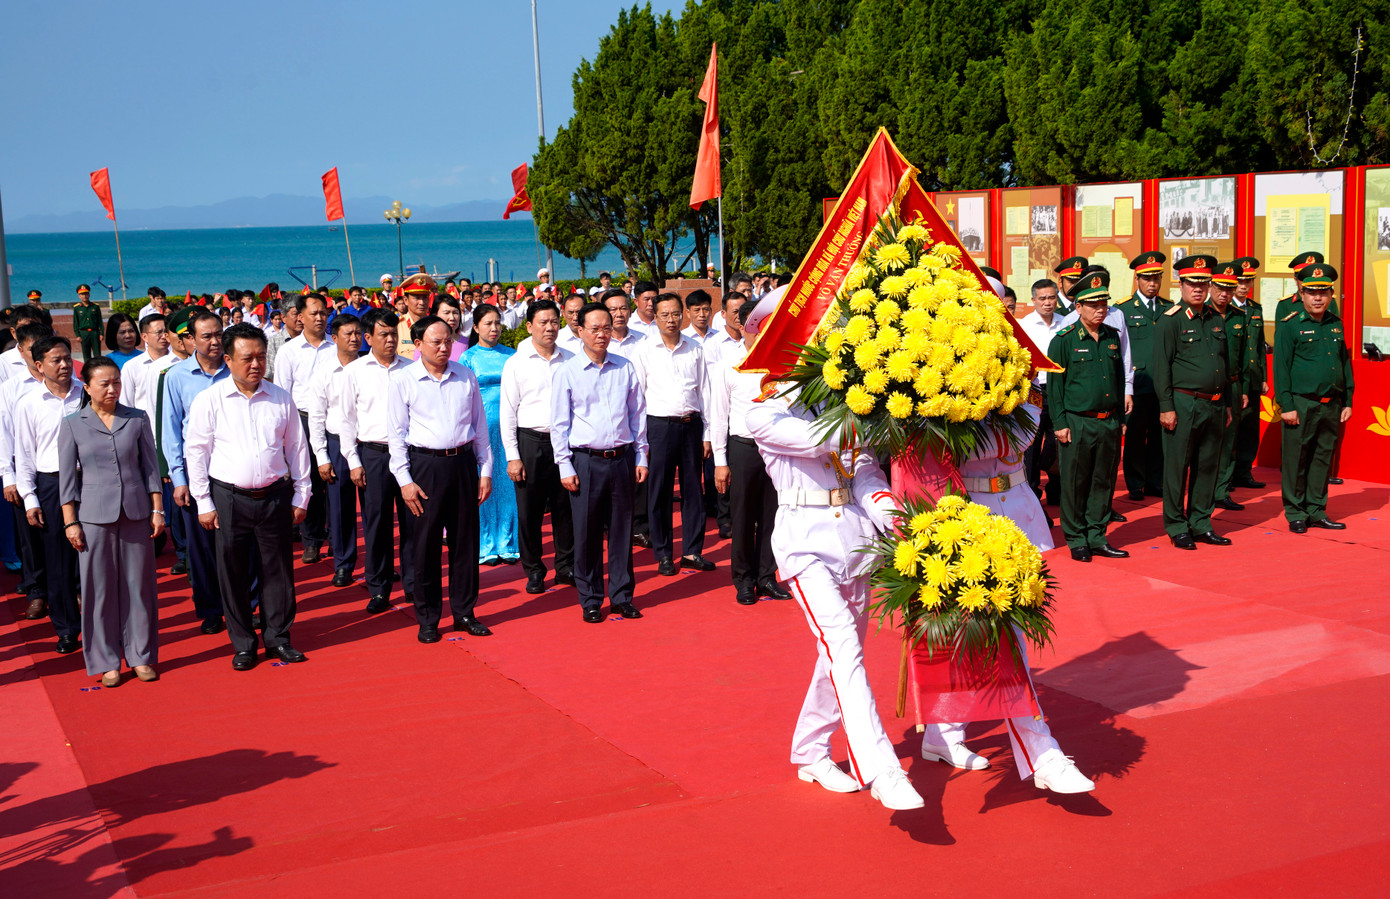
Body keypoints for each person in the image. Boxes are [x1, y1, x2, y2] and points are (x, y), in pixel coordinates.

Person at [740, 287, 924, 811]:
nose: (809, 348)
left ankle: (812, 751)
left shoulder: (844, 402)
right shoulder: (762, 407)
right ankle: (881, 766)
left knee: (842, 653)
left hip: (856, 541)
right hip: (804, 542)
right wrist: (869, 409)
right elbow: (821, 441)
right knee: (841, 643)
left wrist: (897, 520)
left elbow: (864, 471)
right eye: (798, 341)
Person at [185, 324, 311, 671]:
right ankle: (243, 644)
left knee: (278, 572)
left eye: (260, 356)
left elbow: (297, 447)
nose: (255, 364)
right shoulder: (210, 399)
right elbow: (195, 451)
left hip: (274, 495)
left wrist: (302, 493)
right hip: (228, 497)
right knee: (233, 573)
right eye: (246, 358)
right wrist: (204, 502)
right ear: (228, 359)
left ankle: (279, 638)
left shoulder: (280, 397)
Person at [58, 357, 165, 686]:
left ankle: (141, 655)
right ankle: (106, 660)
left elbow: (150, 467)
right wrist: (70, 522)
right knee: (98, 590)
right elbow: (66, 481)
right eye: (104, 384)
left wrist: (157, 509)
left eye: (116, 382)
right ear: (87, 387)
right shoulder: (73, 424)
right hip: (92, 517)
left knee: (139, 587)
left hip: (135, 513)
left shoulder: (137, 419)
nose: (112, 389)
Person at [387, 315, 494, 643]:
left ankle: (464, 611)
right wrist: (405, 481)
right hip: (424, 467)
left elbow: (480, 428)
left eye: (448, 340)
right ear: (417, 345)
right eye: (436, 341)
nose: (444, 347)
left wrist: (485, 470)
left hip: (462, 464)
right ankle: (429, 617)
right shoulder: (404, 380)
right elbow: (396, 435)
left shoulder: (465, 376)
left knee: (465, 543)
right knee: (425, 546)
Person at [550, 302, 649, 623]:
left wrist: (641, 455)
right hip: (585, 461)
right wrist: (564, 465)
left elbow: (638, 415)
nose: (601, 334)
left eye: (606, 328)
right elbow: (559, 424)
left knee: (622, 532)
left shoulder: (625, 367)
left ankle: (621, 595)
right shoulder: (567, 371)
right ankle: (591, 598)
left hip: (621, 459)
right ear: (579, 331)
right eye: (594, 328)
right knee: (588, 532)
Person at [1047, 271, 1130, 562]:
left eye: (1103, 303)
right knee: (1075, 482)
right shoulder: (1064, 340)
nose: (1100, 309)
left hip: (1107, 420)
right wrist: (1059, 424)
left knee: (1104, 481)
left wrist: (1120, 416)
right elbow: (1055, 387)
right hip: (1077, 422)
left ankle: (1097, 535)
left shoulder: (1111, 336)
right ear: (1078, 307)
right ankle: (1076, 537)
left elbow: (1118, 379)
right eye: (1093, 304)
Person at [162, 310, 237, 633]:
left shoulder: (236, 369)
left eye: (219, 334)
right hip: (197, 474)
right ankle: (210, 608)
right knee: (202, 547)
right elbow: (170, 430)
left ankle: (244, 607)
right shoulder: (176, 376)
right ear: (190, 339)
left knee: (238, 544)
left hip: (234, 470)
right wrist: (178, 478)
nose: (215, 341)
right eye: (206, 336)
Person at [631, 292, 714, 577]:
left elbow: (705, 392)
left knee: (694, 491)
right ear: (655, 317)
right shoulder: (644, 349)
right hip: (659, 427)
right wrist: (641, 442)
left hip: (691, 425)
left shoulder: (695, 348)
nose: (670, 320)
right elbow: (638, 398)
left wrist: (708, 434)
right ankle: (664, 553)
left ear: (683, 315)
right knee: (660, 493)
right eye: (664, 315)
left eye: (675, 314)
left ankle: (692, 551)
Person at [1153, 254, 1232, 550]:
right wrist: (1166, 407)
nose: (1197, 289)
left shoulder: (1215, 319)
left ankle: (1201, 522)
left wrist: (1226, 404)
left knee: (1208, 465)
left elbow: (1225, 363)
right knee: (1177, 467)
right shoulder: (1170, 321)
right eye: (1191, 283)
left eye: (1203, 283)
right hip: (1184, 404)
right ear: (1181, 284)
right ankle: (1176, 525)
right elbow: (1162, 367)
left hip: (1214, 403)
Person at [710, 299, 786, 604]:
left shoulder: (782, 362)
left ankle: (767, 576)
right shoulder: (728, 365)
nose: (762, 330)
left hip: (778, 451)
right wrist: (720, 461)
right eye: (756, 324)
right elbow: (718, 415)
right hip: (743, 449)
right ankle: (743, 580)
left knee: (774, 517)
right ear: (744, 326)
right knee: (742, 517)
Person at [340, 308, 415, 614]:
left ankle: (413, 584)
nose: (390, 340)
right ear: (367, 337)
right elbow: (345, 420)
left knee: (413, 521)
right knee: (377, 522)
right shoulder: (354, 372)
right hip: (373, 453)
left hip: (409, 454)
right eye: (383, 334)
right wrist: (353, 460)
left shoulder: (411, 368)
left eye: (394, 334)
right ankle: (379, 587)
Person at [15, 336, 85, 654]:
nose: (64, 364)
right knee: (58, 560)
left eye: (67, 358)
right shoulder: (29, 403)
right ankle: (67, 628)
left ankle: (102, 624)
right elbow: (24, 454)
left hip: (89, 481)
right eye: (55, 360)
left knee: (93, 557)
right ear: (40, 366)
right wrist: (30, 498)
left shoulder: (86, 395)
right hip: (51, 484)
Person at [500, 299, 576, 594]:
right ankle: (533, 569)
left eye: (554, 322)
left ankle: (566, 566)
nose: (550, 328)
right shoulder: (517, 363)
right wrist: (512, 456)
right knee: (529, 511)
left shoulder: (571, 359)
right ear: (529, 326)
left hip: (565, 442)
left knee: (565, 507)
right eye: (543, 322)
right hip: (530, 441)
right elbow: (508, 412)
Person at [1275, 263, 1353, 533]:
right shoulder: (1290, 325)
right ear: (1303, 293)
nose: (1318, 297)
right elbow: (1281, 368)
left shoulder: (1336, 325)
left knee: (1322, 458)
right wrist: (1286, 405)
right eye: (1312, 292)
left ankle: (1316, 510)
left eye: (1323, 292)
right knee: (1296, 458)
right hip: (1301, 403)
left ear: (1331, 295)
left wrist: (1349, 399)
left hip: (1330, 404)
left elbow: (1344, 364)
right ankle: (1295, 511)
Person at [273, 293, 334, 563]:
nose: (320, 318)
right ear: (301, 316)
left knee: (335, 482)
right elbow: (282, 394)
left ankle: (336, 537)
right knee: (308, 483)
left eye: (324, 313)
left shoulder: (337, 347)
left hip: (334, 421)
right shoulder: (288, 351)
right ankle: (312, 540)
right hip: (303, 420)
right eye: (314, 313)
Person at [3, 324, 56, 619]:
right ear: (21, 351)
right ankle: (37, 590)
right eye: (32, 347)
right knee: (30, 535)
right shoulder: (11, 389)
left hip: (60, 472)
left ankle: (73, 588)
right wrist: (9, 477)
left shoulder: (70, 383)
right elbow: (4, 435)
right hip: (25, 470)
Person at [307, 313, 363, 588]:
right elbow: (316, 416)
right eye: (348, 334)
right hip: (336, 442)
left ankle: (380, 563)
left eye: (358, 333)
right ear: (335, 337)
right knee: (340, 508)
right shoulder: (323, 371)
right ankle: (343, 563)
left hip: (367, 442)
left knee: (375, 507)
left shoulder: (369, 366)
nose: (354, 338)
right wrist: (321, 456)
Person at [461, 304, 519, 566]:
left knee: (507, 485)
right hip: (481, 429)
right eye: (488, 323)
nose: (494, 328)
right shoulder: (468, 358)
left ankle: (508, 542)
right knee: (483, 484)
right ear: (476, 327)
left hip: (509, 427)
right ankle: (486, 544)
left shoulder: (512, 356)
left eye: (497, 323)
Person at [1114, 251, 1170, 501]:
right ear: (1137, 279)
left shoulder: (1169, 308)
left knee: (1160, 436)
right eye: (1147, 278)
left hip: (1162, 385)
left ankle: (1155, 481)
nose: (1152, 284)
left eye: (1156, 278)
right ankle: (1135, 483)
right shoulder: (1123, 309)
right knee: (1135, 437)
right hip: (1136, 385)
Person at [1209, 262, 1253, 512]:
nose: (1224, 294)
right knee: (1206, 443)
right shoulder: (1201, 313)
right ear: (1210, 287)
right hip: (1208, 388)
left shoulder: (1239, 317)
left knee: (1229, 442)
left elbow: (1245, 356)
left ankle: (1222, 491)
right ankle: (1202, 491)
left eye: (1229, 289)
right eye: (1220, 288)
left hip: (1234, 386)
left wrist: (1245, 388)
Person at [1018, 279, 1066, 507]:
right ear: (1033, 300)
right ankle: (1032, 496)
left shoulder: (1066, 323)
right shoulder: (1024, 326)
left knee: (1057, 444)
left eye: (1051, 298)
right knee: (1032, 447)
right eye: (1042, 298)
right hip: (1034, 391)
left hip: (1059, 391)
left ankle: (1056, 492)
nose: (1047, 303)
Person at [1230, 256, 1267, 489]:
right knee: (1232, 428)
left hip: (1252, 378)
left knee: (1250, 429)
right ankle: (1228, 475)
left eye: (1248, 281)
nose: (1244, 286)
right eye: (1240, 281)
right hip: (1234, 379)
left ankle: (1244, 472)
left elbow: (1259, 345)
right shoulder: (1226, 309)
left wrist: (1263, 377)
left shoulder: (1255, 308)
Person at [395, 274, 434, 361]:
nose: (422, 302)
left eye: (425, 297)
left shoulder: (435, 326)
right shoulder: (397, 326)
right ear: (406, 300)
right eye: (416, 298)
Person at [72, 284, 104, 362]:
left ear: (89, 294)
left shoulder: (95, 307)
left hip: (94, 332)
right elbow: (76, 323)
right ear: (79, 296)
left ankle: (98, 367)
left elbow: (100, 321)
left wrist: (101, 333)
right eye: (82, 294)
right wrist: (77, 335)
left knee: (97, 354)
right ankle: (87, 370)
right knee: (86, 354)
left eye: (86, 294)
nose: (84, 296)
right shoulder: (77, 308)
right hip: (84, 333)